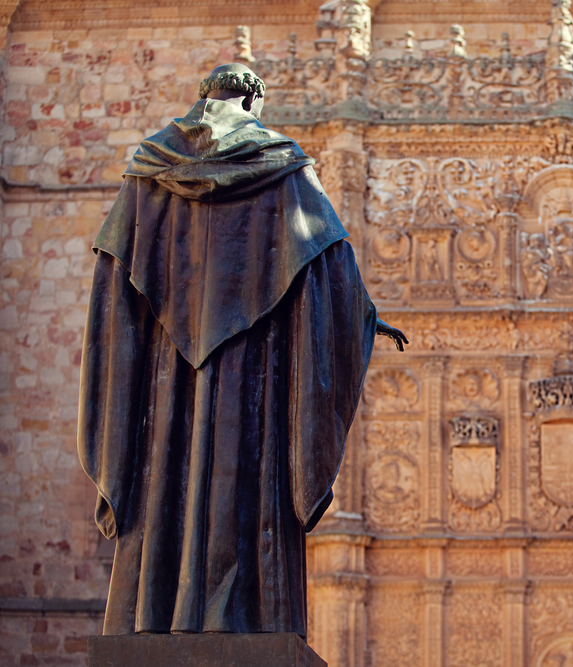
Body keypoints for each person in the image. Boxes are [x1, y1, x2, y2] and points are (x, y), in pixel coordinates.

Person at [77, 63, 407, 637]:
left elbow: (114, 280)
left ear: (205, 99)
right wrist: (364, 319)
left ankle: (154, 615)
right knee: (244, 487)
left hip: (165, 382)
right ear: (253, 102)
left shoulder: (150, 171)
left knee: (166, 485)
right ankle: (244, 619)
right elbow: (329, 265)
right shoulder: (281, 167)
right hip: (252, 379)